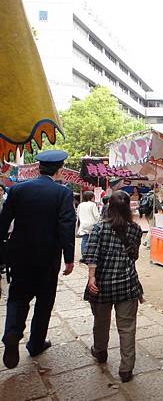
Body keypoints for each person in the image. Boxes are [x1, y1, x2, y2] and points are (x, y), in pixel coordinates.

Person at [0, 150, 76, 369]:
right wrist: (69, 258)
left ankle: (12, 333)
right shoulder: (62, 193)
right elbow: (66, 226)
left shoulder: (18, 190)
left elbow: (3, 221)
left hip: (19, 256)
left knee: (17, 297)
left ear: (38, 168)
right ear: (60, 169)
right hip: (47, 258)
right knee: (44, 302)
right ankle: (35, 344)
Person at [81, 190, 143, 383]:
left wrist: (91, 277)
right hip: (127, 284)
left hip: (102, 285)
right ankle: (126, 369)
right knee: (127, 327)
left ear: (109, 207)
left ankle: (100, 352)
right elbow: (134, 256)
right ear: (128, 209)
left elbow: (91, 255)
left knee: (101, 322)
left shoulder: (99, 228)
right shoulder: (136, 230)